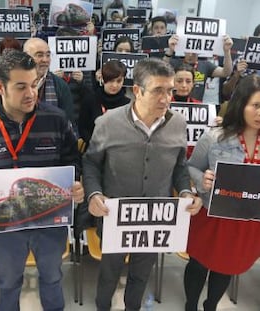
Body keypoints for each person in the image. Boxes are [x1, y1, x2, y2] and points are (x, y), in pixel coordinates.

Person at [0, 50, 84, 311]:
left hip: (50, 221)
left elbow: (73, 159)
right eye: (21, 86)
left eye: (34, 83)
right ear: (0, 87)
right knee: (9, 282)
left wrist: (75, 182)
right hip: (5, 225)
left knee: (52, 278)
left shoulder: (56, 119)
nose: (31, 93)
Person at [82, 58, 202, 311]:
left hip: (155, 218)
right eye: (158, 90)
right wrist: (93, 194)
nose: (166, 98)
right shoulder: (107, 123)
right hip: (116, 216)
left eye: (169, 91)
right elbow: (91, 163)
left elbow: (180, 166)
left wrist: (185, 191)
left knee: (140, 275)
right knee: (109, 274)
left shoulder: (178, 123)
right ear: (137, 90)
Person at [184, 74, 260, 311]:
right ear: (241, 105)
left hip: (248, 220)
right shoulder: (214, 137)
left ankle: (211, 306)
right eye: (256, 106)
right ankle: (191, 305)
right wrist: (201, 179)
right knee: (198, 264)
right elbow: (191, 166)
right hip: (212, 214)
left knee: (228, 265)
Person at [164, 34, 233, 101]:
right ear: (183, 50)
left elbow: (226, 72)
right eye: (188, 50)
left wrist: (227, 51)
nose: (190, 54)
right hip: (174, 104)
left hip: (197, 108)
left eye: (194, 52)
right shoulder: (174, 63)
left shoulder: (206, 65)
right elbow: (161, 70)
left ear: (199, 51)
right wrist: (170, 50)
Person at [23, 38, 75, 124]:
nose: (45, 60)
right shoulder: (14, 84)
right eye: (39, 55)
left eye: (48, 55)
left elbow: (68, 123)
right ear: (25, 57)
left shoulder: (60, 85)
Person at [79, 60, 130, 147]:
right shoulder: (90, 100)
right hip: (94, 150)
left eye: (119, 81)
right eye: (110, 80)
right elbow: (83, 128)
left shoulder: (128, 104)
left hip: (120, 151)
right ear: (103, 79)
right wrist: (96, 143)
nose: (114, 85)